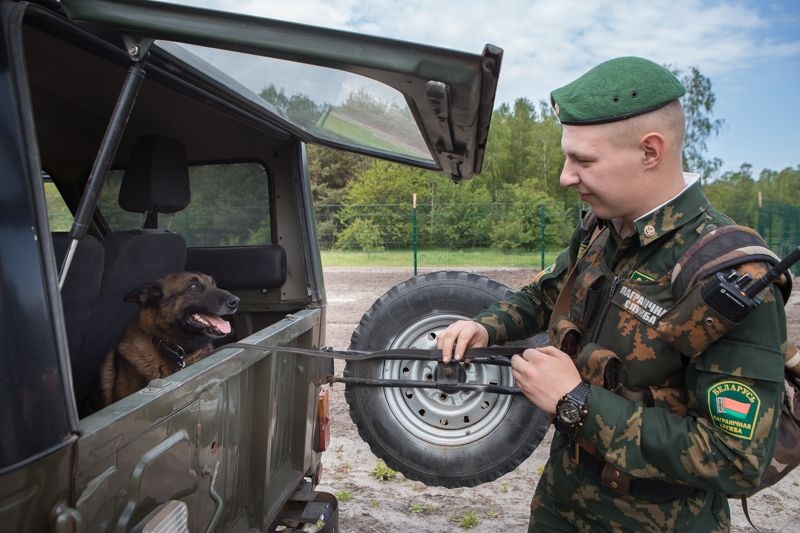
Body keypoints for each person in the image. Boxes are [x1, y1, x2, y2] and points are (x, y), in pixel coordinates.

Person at [436, 56, 790, 532]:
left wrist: (576, 401)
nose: (565, 176)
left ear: (650, 151)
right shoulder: (605, 230)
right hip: (563, 498)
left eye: (583, 160)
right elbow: (549, 294)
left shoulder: (729, 276)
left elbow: (733, 459)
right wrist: (484, 325)